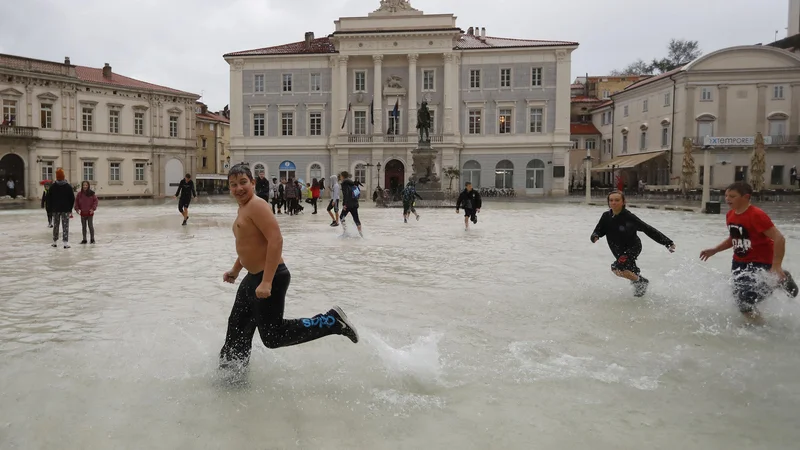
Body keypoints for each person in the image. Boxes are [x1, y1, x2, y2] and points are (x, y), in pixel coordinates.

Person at [218, 163, 358, 372]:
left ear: (253, 183)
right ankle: (231, 375)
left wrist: (267, 281)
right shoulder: (243, 208)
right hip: (252, 277)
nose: (238, 188)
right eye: (233, 185)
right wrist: (236, 270)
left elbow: (276, 240)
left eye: (243, 182)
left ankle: (332, 321)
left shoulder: (257, 205)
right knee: (237, 328)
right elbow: (250, 244)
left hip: (270, 277)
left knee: (273, 336)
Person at [700, 182, 798, 321]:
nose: (728, 199)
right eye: (726, 195)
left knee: (745, 300)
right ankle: (757, 325)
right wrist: (715, 249)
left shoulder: (756, 215)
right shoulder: (730, 215)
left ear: (746, 197)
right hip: (739, 263)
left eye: (732, 196)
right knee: (740, 301)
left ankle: (778, 282)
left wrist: (776, 265)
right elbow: (735, 237)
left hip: (760, 262)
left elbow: (779, 238)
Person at [591, 190, 675, 297]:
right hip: (618, 249)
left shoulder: (629, 217)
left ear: (623, 202)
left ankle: (641, 282)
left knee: (616, 268)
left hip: (632, 247)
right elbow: (599, 230)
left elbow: (647, 229)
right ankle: (639, 289)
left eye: (617, 200)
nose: (613, 203)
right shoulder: (606, 216)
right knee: (628, 271)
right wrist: (595, 236)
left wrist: (667, 243)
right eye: (611, 200)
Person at [49, 168, 75, 248]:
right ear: (64, 176)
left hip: (55, 210)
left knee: (56, 225)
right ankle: (65, 242)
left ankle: (54, 241)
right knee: (65, 226)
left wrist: (51, 209)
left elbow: (49, 199)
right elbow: (72, 198)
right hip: (65, 209)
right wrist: (70, 208)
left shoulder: (53, 187)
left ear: (56, 177)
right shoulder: (68, 187)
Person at [339, 171, 363, 237]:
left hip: (348, 204)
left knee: (341, 217)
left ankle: (345, 232)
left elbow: (346, 194)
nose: (340, 178)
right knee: (356, 219)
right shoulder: (352, 183)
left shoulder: (344, 183)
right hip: (354, 203)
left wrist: (345, 204)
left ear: (342, 176)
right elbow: (356, 193)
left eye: (340, 176)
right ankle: (361, 234)